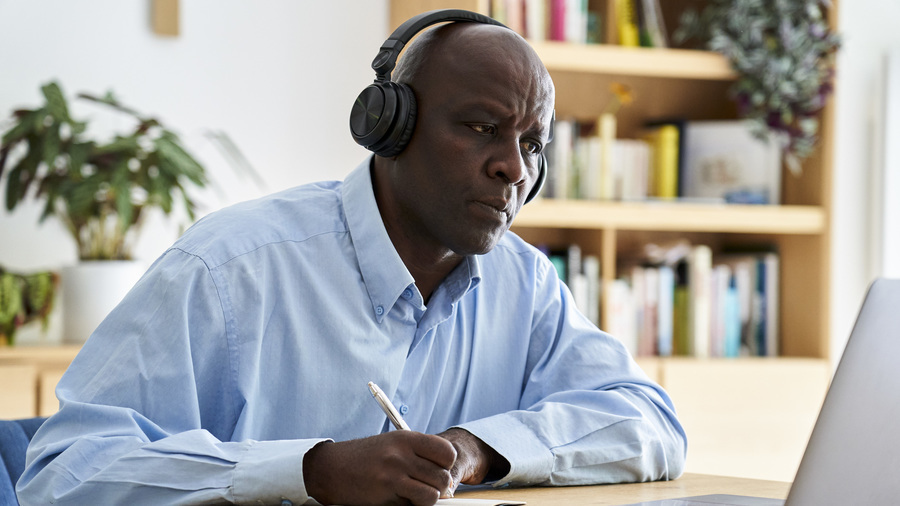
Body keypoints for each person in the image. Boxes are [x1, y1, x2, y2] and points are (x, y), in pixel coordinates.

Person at [17, 14, 686, 506]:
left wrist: (477, 450)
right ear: (389, 126)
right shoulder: (229, 270)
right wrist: (311, 472)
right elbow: (63, 472)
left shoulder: (526, 282)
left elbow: (649, 422)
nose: (513, 167)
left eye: (533, 145)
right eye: (482, 128)